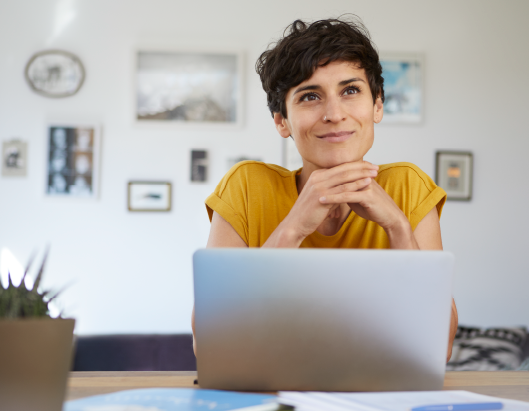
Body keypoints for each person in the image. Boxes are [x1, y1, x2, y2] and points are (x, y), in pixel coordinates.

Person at [193, 17, 458, 361]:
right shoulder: (246, 187)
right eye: (310, 96)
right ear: (281, 121)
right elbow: (210, 343)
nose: (334, 113)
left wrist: (398, 227)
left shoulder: (408, 187)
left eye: (350, 91)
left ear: (377, 105)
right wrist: (293, 228)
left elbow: (440, 347)